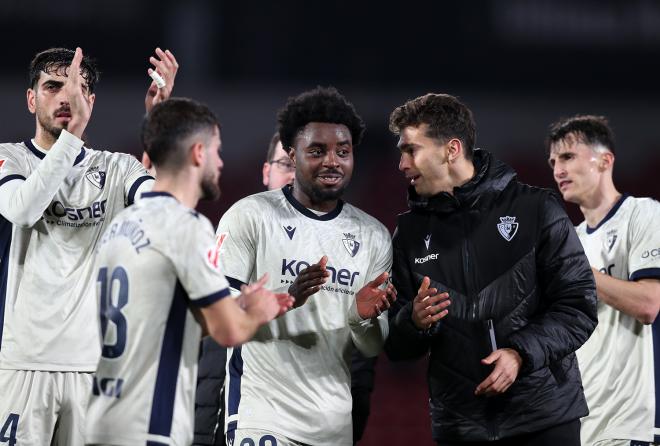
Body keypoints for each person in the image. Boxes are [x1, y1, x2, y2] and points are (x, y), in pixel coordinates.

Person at [384, 93, 598, 445]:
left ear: (451, 150)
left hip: (544, 419)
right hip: (461, 428)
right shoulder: (408, 234)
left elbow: (578, 307)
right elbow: (396, 346)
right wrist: (413, 321)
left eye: (411, 150)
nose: (402, 164)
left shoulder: (536, 209)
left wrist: (519, 354)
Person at [84, 97, 293, 446]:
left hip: (100, 420)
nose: (221, 162)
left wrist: (234, 305)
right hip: (150, 425)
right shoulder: (187, 227)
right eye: (218, 151)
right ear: (199, 153)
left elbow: (156, 321)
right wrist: (258, 310)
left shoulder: (119, 223)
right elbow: (228, 332)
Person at [0, 46, 177, 445]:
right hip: (23, 363)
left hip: (95, 369)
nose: (66, 97)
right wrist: (74, 135)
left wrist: (160, 130)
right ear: (31, 99)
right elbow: (23, 209)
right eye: (53, 86)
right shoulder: (9, 159)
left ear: (90, 102)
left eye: (78, 88)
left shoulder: (117, 168)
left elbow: (161, 210)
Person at [216, 86, 396, 446]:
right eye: (317, 151)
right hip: (262, 415)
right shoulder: (249, 216)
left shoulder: (374, 235)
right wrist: (286, 298)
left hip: (333, 428)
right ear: (292, 154)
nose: (332, 161)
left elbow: (372, 346)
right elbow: (218, 319)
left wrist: (363, 318)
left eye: (343, 152)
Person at [546, 115, 660, 446]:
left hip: (633, 423)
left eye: (568, 157)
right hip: (585, 423)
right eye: (553, 162)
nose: (558, 170)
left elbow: (649, 303)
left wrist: (579, 270)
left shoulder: (644, 214)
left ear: (605, 160)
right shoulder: (569, 241)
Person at [193, 131, 295, 446]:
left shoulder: (330, 251)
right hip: (217, 418)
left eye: (300, 165)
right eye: (284, 164)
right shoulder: (236, 230)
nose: (293, 175)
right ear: (266, 172)